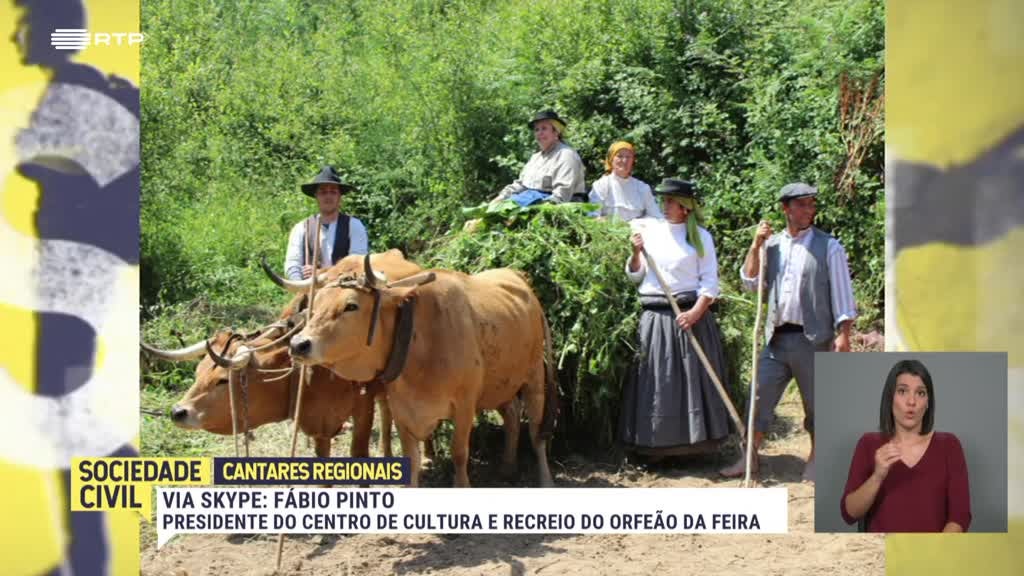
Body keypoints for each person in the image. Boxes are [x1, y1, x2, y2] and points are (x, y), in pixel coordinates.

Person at [8, 1, 139, 573]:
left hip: (76, 287)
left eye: (26, 22)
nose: (16, 34)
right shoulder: (79, 92)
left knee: (66, 412)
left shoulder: (82, 95)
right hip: (68, 284)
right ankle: (87, 550)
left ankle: (90, 554)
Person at [720, 182, 857, 483]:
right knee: (758, 397)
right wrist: (755, 246)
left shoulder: (828, 246)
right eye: (802, 205)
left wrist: (843, 333)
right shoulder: (772, 246)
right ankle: (749, 459)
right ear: (786, 208)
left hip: (814, 339)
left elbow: (842, 293)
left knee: (817, 404)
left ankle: (817, 459)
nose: (809, 210)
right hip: (777, 339)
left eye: (811, 204)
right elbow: (751, 283)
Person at [620, 178, 731, 458]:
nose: (665, 206)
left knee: (695, 383)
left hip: (691, 317)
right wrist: (635, 253)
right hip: (656, 318)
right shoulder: (649, 232)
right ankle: (655, 448)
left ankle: (698, 447)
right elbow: (635, 275)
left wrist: (695, 313)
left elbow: (709, 284)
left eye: (671, 201)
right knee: (658, 382)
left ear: (685, 208)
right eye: (664, 201)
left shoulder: (701, 238)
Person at [840, 359, 971, 532]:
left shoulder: (949, 445)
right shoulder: (868, 444)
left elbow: (960, 516)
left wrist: (937, 552)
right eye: (902, 391)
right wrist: (877, 476)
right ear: (890, 398)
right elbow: (849, 513)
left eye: (921, 393)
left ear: (928, 403)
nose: (911, 402)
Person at [284, 165, 368, 280]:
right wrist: (299, 283)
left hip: (343, 289)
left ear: (339, 196)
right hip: (310, 289)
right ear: (316, 196)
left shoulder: (354, 226)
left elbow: (357, 264)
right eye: (323, 192)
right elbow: (292, 264)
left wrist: (322, 273)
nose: (328, 196)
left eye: (333, 192)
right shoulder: (301, 228)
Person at [490, 109, 586, 206]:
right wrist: (501, 198)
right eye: (537, 129)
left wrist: (542, 209)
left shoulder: (566, 155)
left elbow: (563, 192)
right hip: (530, 199)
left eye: (544, 128)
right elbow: (521, 184)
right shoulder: (535, 158)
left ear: (556, 132)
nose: (540, 133)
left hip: (559, 204)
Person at [588, 140, 662, 222]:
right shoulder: (601, 185)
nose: (624, 160)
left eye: (628, 157)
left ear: (633, 161)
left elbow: (657, 216)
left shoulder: (642, 188)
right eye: (619, 156)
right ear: (611, 160)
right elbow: (592, 216)